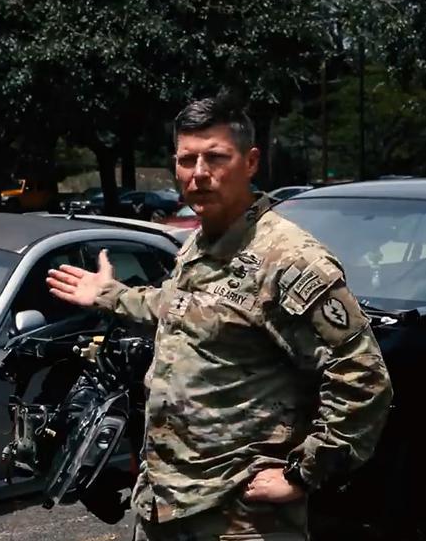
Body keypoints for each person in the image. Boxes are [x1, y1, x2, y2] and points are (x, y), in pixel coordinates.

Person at [46, 95, 393, 540]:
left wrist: (304, 474)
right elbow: (182, 310)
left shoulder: (289, 260)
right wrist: (111, 295)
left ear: (250, 163)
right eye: (187, 159)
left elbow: (364, 378)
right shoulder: (200, 244)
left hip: (239, 517)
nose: (199, 173)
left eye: (216, 157)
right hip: (166, 504)